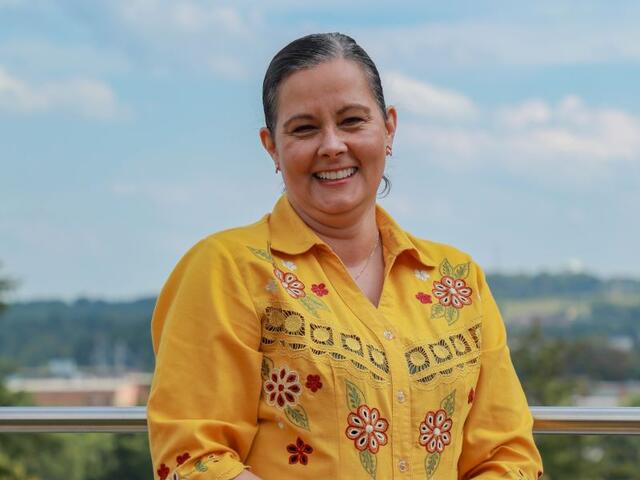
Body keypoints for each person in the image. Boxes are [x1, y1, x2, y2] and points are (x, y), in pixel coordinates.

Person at [147, 32, 543, 480]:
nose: (332, 145)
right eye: (304, 128)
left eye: (352, 121)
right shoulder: (228, 270)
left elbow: (509, 455)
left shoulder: (456, 278)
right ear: (271, 146)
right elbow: (194, 458)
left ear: (389, 127)